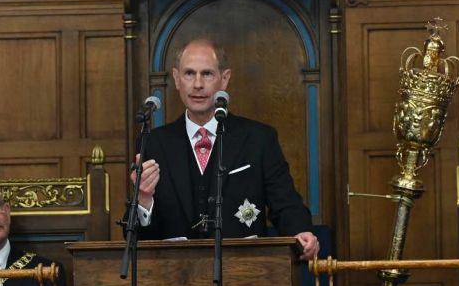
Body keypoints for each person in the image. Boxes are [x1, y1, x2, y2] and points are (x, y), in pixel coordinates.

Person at [130, 37, 320, 260]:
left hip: (245, 274)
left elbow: (286, 203)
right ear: (176, 78)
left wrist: (301, 232)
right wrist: (143, 199)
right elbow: (136, 237)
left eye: (207, 74)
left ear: (224, 79)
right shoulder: (154, 143)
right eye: (189, 73)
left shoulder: (258, 139)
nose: (197, 84)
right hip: (177, 277)